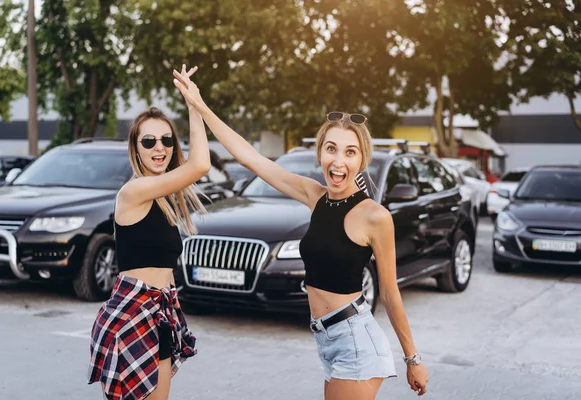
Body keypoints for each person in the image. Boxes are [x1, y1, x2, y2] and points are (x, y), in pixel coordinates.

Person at [173, 68, 429, 399]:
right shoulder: (314, 195)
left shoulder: (375, 216)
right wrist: (200, 106)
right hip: (328, 339)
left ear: (362, 158)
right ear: (320, 152)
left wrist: (413, 359)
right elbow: (250, 158)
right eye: (331, 149)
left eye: (350, 152)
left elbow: (391, 294)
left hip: (355, 340)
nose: (338, 161)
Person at [88, 65, 211, 400]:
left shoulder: (165, 198)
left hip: (161, 316)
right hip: (131, 317)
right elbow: (201, 165)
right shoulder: (133, 193)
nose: (160, 148)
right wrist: (194, 105)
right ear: (136, 147)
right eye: (149, 141)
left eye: (167, 139)